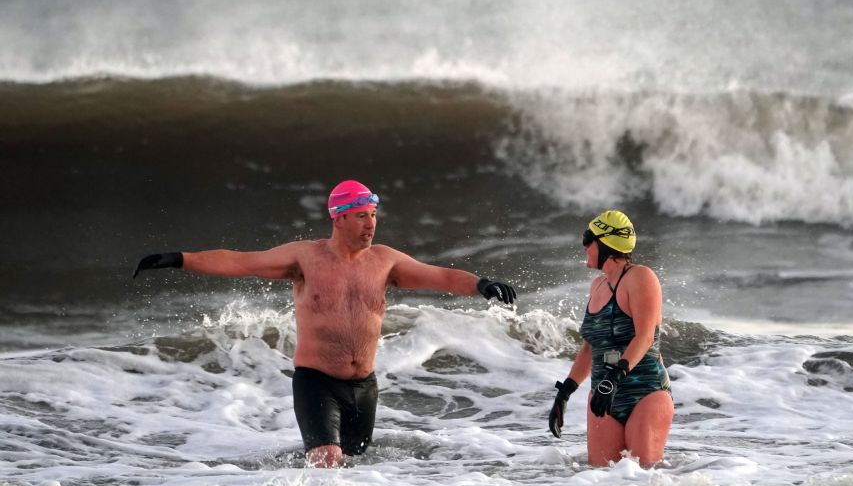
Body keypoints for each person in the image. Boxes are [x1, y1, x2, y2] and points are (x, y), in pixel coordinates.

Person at [133, 179, 517, 468]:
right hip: (317, 383)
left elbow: (440, 276)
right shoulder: (304, 258)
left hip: (365, 387)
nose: (371, 225)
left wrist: (481, 284)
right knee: (326, 460)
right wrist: (179, 258)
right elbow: (239, 261)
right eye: (362, 217)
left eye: (374, 216)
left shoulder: (385, 261)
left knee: (355, 470)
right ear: (340, 218)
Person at [547, 210, 673, 467]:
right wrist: (565, 392)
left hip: (645, 392)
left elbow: (645, 336)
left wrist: (614, 378)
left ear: (606, 242)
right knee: (600, 480)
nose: (584, 246)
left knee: (642, 477)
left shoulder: (641, 277)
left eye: (588, 238)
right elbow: (590, 347)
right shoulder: (598, 286)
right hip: (604, 395)